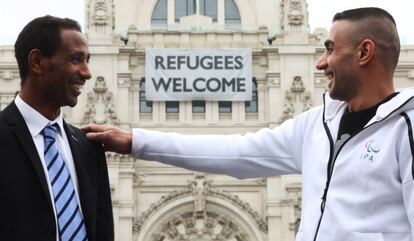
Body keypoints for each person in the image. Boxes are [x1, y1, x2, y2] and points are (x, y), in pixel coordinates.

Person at [83, 7, 414, 241]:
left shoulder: (406, 127)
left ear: (364, 52)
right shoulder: (316, 126)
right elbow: (235, 152)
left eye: (330, 49)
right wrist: (136, 142)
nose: (321, 61)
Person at [0, 16, 114, 241]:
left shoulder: (88, 146)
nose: (87, 73)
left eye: (87, 60)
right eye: (76, 59)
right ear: (37, 62)